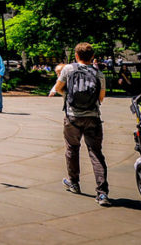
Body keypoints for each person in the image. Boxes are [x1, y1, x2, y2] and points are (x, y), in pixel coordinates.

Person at [51, 42, 110, 206]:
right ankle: (102, 193)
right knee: (96, 153)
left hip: (72, 117)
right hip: (93, 117)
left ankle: (74, 183)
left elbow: (58, 87)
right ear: (92, 57)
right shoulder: (98, 73)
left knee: (72, 149)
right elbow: (101, 98)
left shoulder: (68, 69)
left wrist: (69, 96)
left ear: (76, 56)